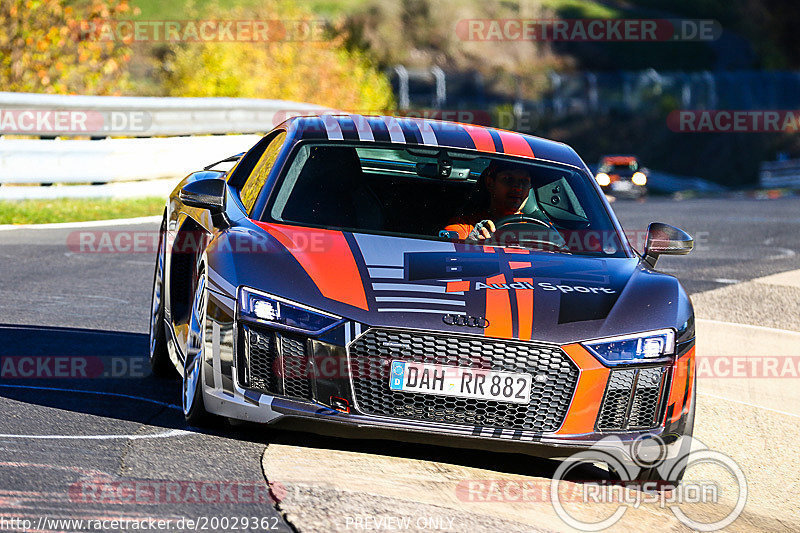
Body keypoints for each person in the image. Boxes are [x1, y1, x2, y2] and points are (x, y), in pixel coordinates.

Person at [444, 160, 533, 242]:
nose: (518, 188)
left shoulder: (541, 228)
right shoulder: (465, 227)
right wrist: (470, 242)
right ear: (490, 183)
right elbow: (448, 250)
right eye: (508, 179)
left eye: (524, 181)